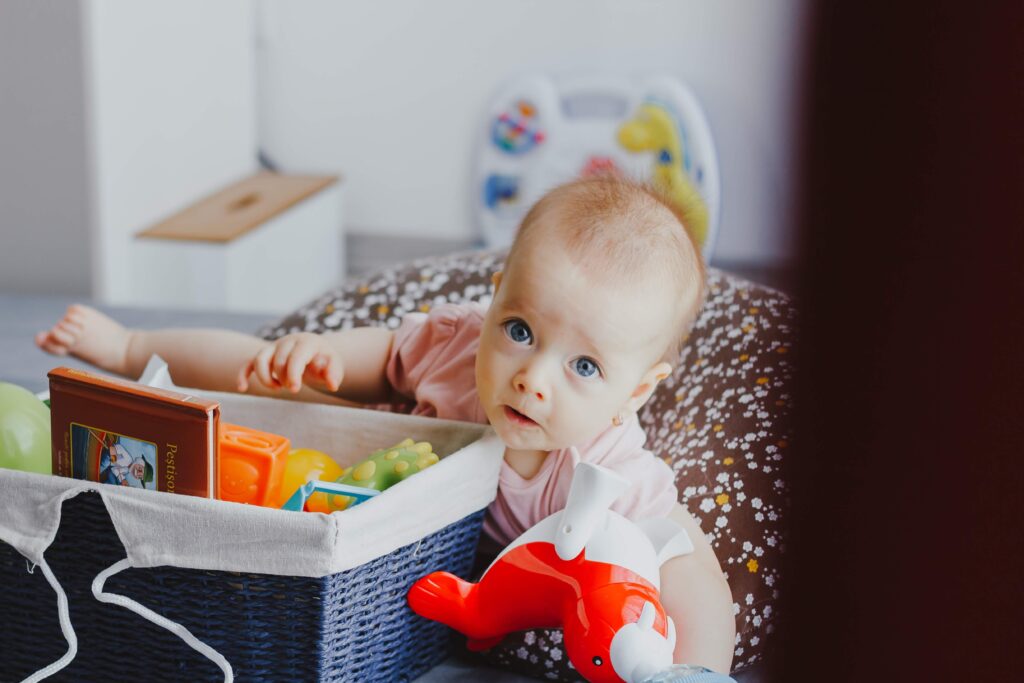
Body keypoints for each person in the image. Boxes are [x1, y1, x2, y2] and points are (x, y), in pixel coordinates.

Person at [36, 175, 735, 672]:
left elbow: (691, 565)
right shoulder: (458, 343)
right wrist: (319, 359)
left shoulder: (607, 466)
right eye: (519, 328)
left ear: (633, 392)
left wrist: (698, 667)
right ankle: (129, 349)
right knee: (260, 376)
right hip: (379, 450)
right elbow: (381, 359)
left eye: (584, 367)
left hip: (445, 554)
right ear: (493, 301)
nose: (533, 377)